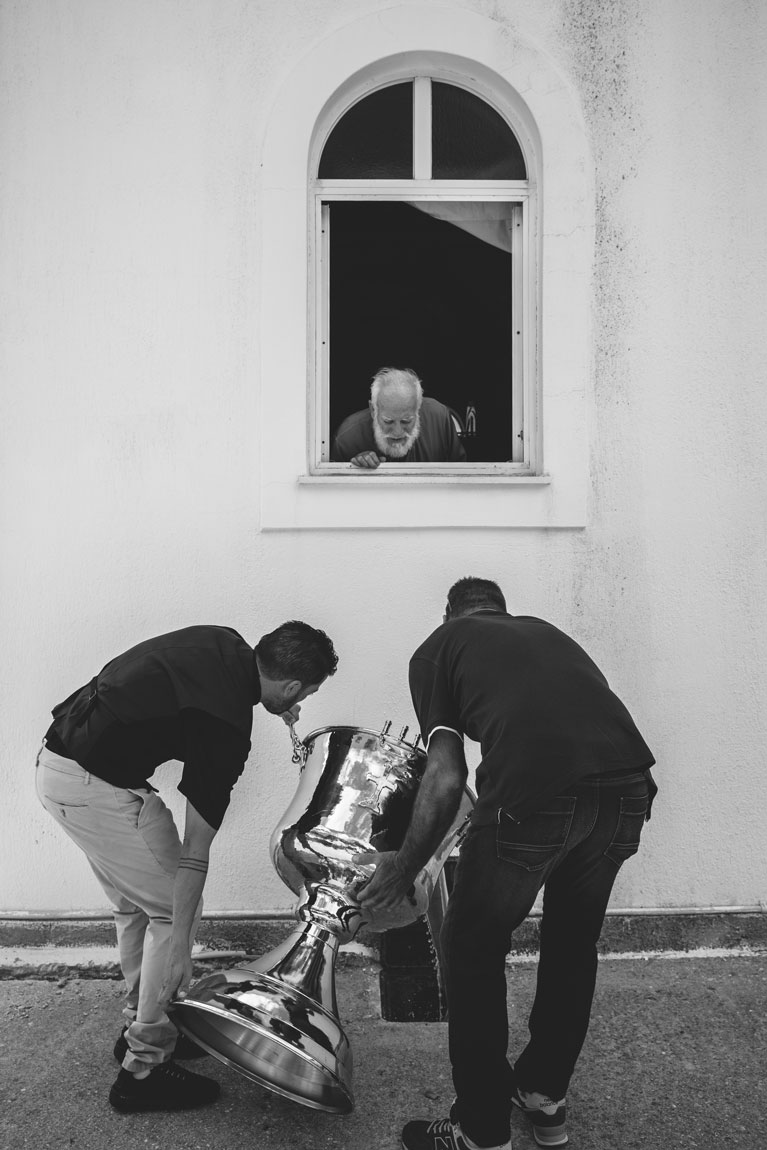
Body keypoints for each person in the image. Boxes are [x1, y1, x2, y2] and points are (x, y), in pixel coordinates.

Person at [355, 577, 656, 1150]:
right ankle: (545, 1098)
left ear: (450, 615)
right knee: (572, 942)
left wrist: (401, 868)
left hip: (537, 796)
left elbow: (446, 775)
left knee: (471, 948)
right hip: (627, 792)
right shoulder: (546, 634)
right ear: (501, 610)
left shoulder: (439, 647)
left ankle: (481, 1129)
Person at [36, 621, 337, 1113]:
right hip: (94, 789)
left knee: (137, 907)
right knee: (173, 912)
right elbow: (196, 852)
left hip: (63, 768)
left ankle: (146, 1023)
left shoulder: (221, 641)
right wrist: (181, 950)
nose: (303, 702)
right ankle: (143, 1070)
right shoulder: (226, 726)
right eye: (307, 692)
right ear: (292, 687)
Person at [331, 366, 467, 468]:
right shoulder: (346, 439)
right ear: (373, 410)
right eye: (388, 421)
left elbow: (462, 476)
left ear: (418, 408)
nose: (397, 432)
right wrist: (354, 469)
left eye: (406, 421)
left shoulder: (439, 417)